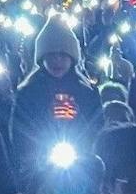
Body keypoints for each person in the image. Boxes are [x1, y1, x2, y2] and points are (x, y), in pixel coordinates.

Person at [12, 18, 102, 185]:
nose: (57, 60)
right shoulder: (28, 91)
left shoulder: (87, 91)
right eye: (52, 55)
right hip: (40, 166)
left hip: (81, 165)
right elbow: (19, 128)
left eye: (63, 55)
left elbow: (97, 124)